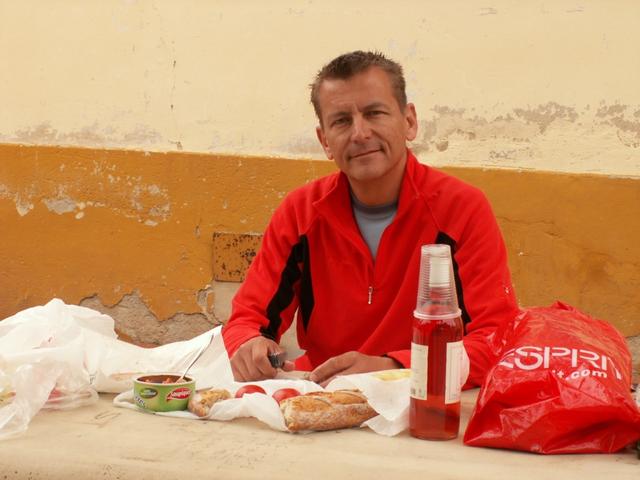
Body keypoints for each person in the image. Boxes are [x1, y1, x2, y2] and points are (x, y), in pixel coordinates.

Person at [222, 50, 519, 388]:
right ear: (325, 141)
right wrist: (248, 345)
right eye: (341, 121)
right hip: (322, 394)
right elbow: (247, 318)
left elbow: (497, 341)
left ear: (409, 122)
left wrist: (391, 367)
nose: (360, 133)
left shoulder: (462, 209)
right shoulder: (300, 212)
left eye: (374, 113)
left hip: (426, 398)